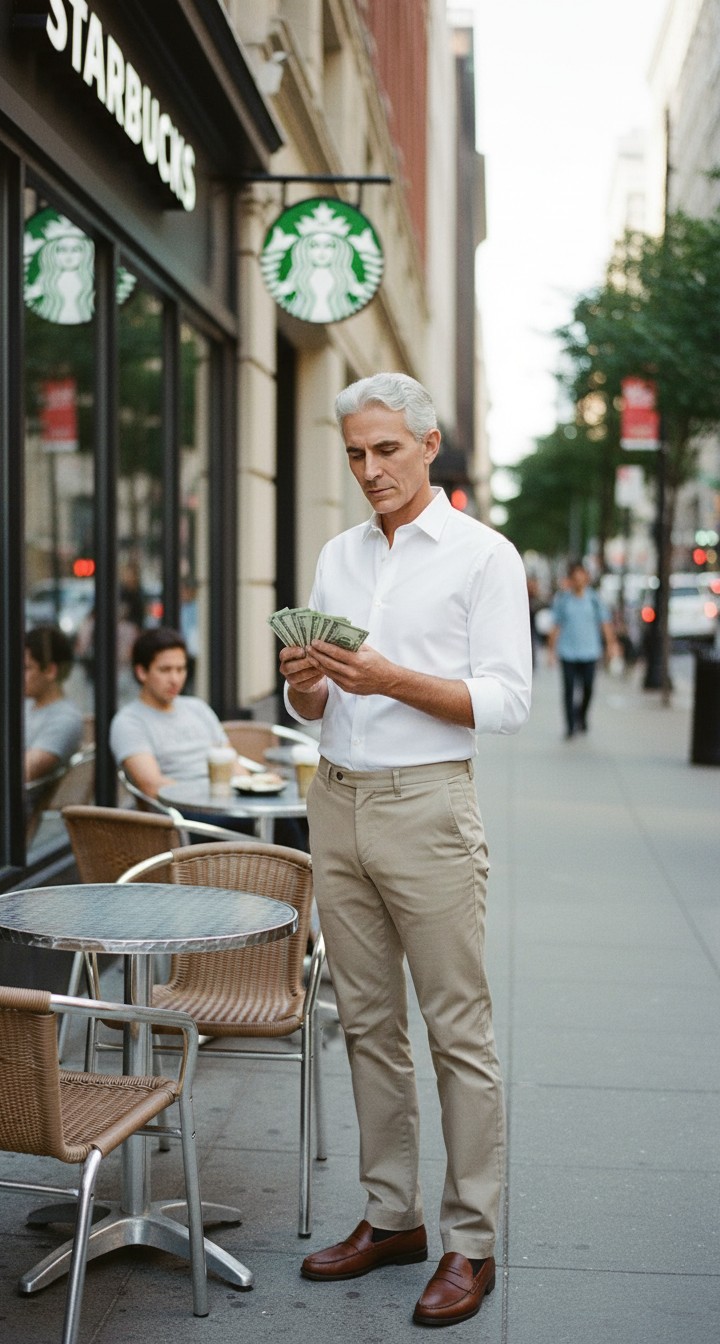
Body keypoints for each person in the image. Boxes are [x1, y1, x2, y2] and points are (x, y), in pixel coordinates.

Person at [280, 373, 532, 1327]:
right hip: (335, 801)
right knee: (369, 1027)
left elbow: (508, 702)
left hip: (428, 807)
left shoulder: (483, 556)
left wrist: (390, 678)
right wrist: (307, 687)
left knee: (457, 1033)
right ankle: (392, 1216)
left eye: (386, 449)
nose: (370, 468)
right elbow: (313, 706)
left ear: (429, 446)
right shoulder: (338, 555)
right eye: (355, 452)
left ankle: (471, 1241)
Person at [0, 624, 83, 838]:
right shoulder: (21, 706)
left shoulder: (64, 719)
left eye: (26, 668)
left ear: (50, 670)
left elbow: (20, 774)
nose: (18, 675)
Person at [109, 626, 232, 798]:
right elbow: (152, 786)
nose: (175, 680)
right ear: (142, 672)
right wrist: (211, 795)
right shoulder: (129, 722)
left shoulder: (197, 708)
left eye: (180, 669)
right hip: (177, 814)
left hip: (224, 801)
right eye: (165, 670)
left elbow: (231, 764)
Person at [547, 560, 618, 739]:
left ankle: (582, 716)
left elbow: (605, 623)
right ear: (571, 580)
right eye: (575, 578)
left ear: (586, 579)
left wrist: (611, 645)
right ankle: (570, 726)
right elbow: (556, 626)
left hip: (589, 652)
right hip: (568, 652)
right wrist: (551, 651)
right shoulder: (563, 600)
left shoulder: (594, 599)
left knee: (588, 688)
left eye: (581, 577)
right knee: (569, 690)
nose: (578, 581)